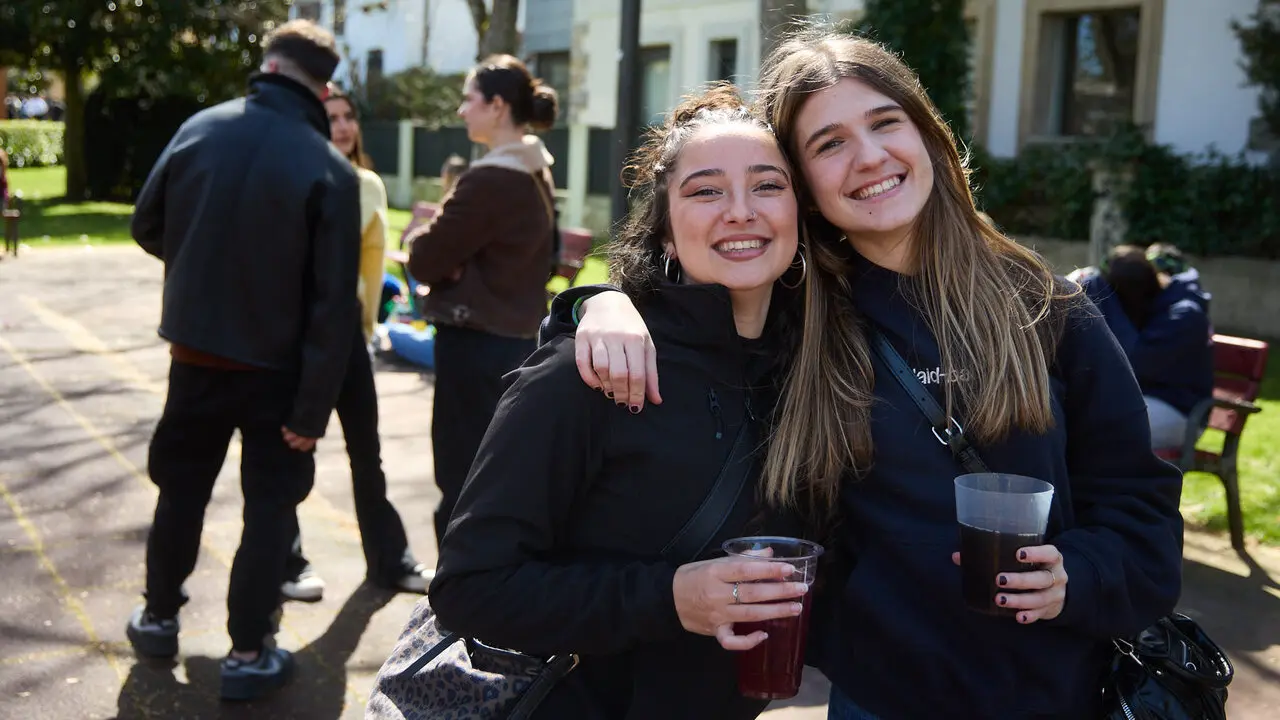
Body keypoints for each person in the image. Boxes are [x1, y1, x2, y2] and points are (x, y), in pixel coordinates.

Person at [548, 27, 1184, 720]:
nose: (870, 156)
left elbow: (1139, 508)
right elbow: (679, 312)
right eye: (829, 144)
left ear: (928, 137)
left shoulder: (1045, 307)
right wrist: (597, 304)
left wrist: (1080, 575)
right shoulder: (797, 319)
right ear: (803, 189)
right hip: (881, 699)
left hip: (1052, 695)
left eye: (886, 123)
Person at [429, 85, 816, 719]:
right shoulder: (588, 374)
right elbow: (470, 589)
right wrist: (668, 600)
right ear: (666, 234)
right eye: (706, 190)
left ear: (798, 215)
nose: (740, 211)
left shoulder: (813, 375)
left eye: (768, 186)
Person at [124, 20, 359, 700]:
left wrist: (203, 268)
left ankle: (159, 617)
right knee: (268, 511)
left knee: (181, 491)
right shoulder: (330, 168)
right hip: (279, 377)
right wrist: (312, 410)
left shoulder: (201, 127)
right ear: (322, 83)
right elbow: (332, 306)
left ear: (268, 64)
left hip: (195, 358)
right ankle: (249, 652)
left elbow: (147, 223)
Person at [280, 86, 434, 603]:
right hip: (300, 339)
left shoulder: (368, 183)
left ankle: (389, 559)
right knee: (290, 452)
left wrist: (365, 332)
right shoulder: (296, 176)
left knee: (366, 453)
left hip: (350, 338)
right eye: (332, 117)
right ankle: (285, 558)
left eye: (349, 116)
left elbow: (371, 268)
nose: (343, 126)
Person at [404, 55, 559, 546]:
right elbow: (546, 258)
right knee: (498, 475)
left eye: (469, 99)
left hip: (474, 347)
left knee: (461, 476)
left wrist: (443, 260)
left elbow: (424, 258)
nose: (461, 110)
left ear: (496, 106)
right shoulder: (535, 170)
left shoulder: (492, 177)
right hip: (514, 340)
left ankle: (454, 597)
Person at [1073, 245, 1214, 449]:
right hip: (1147, 400)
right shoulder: (1161, 304)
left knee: (1096, 431)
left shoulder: (1185, 315)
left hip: (1179, 411)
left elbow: (1131, 364)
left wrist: (1103, 295)